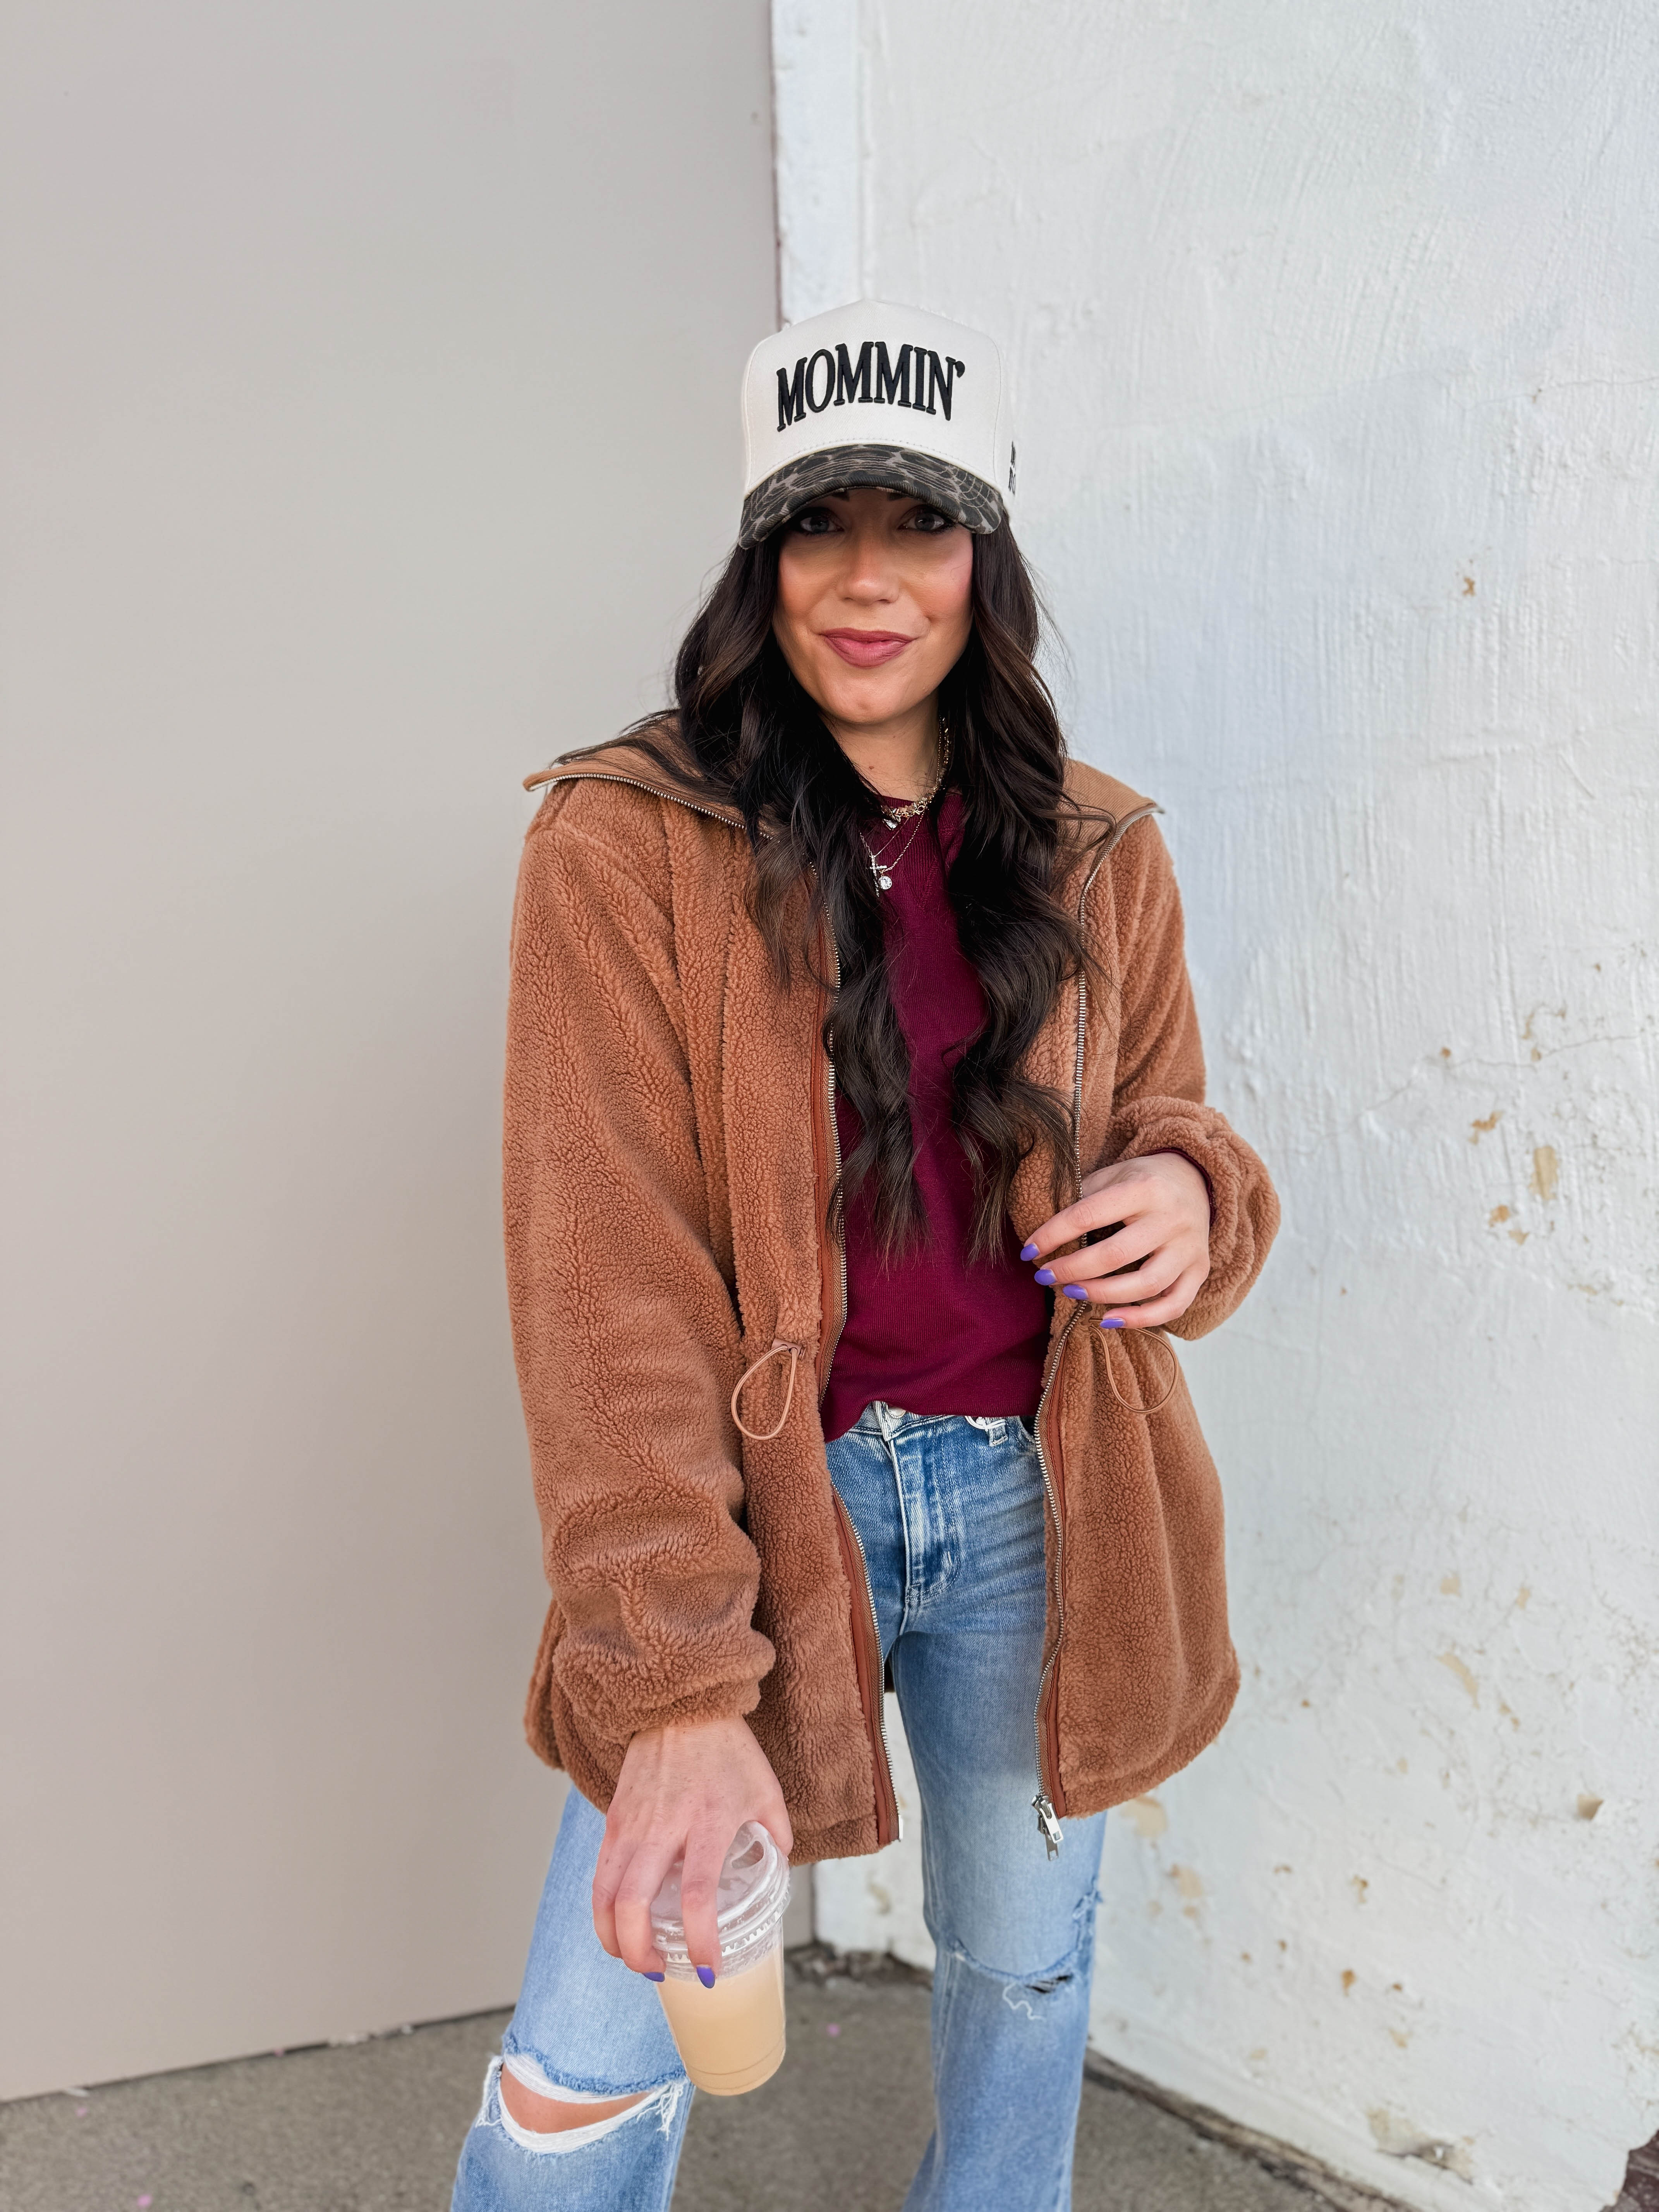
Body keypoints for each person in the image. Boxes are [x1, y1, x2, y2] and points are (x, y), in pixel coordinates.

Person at [451, 299, 1278, 2212]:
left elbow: (1171, 1119)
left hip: (1041, 1503)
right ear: (759, 561)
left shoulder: (1098, 846)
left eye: (922, 525)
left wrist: (1190, 1193)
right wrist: (675, 1684)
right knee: (585, 2082)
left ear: (988, 554)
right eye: (819, 526)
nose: (870, 579)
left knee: (1024, 1972)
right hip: (765, 1510)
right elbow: (603, 1290)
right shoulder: (624, 842)